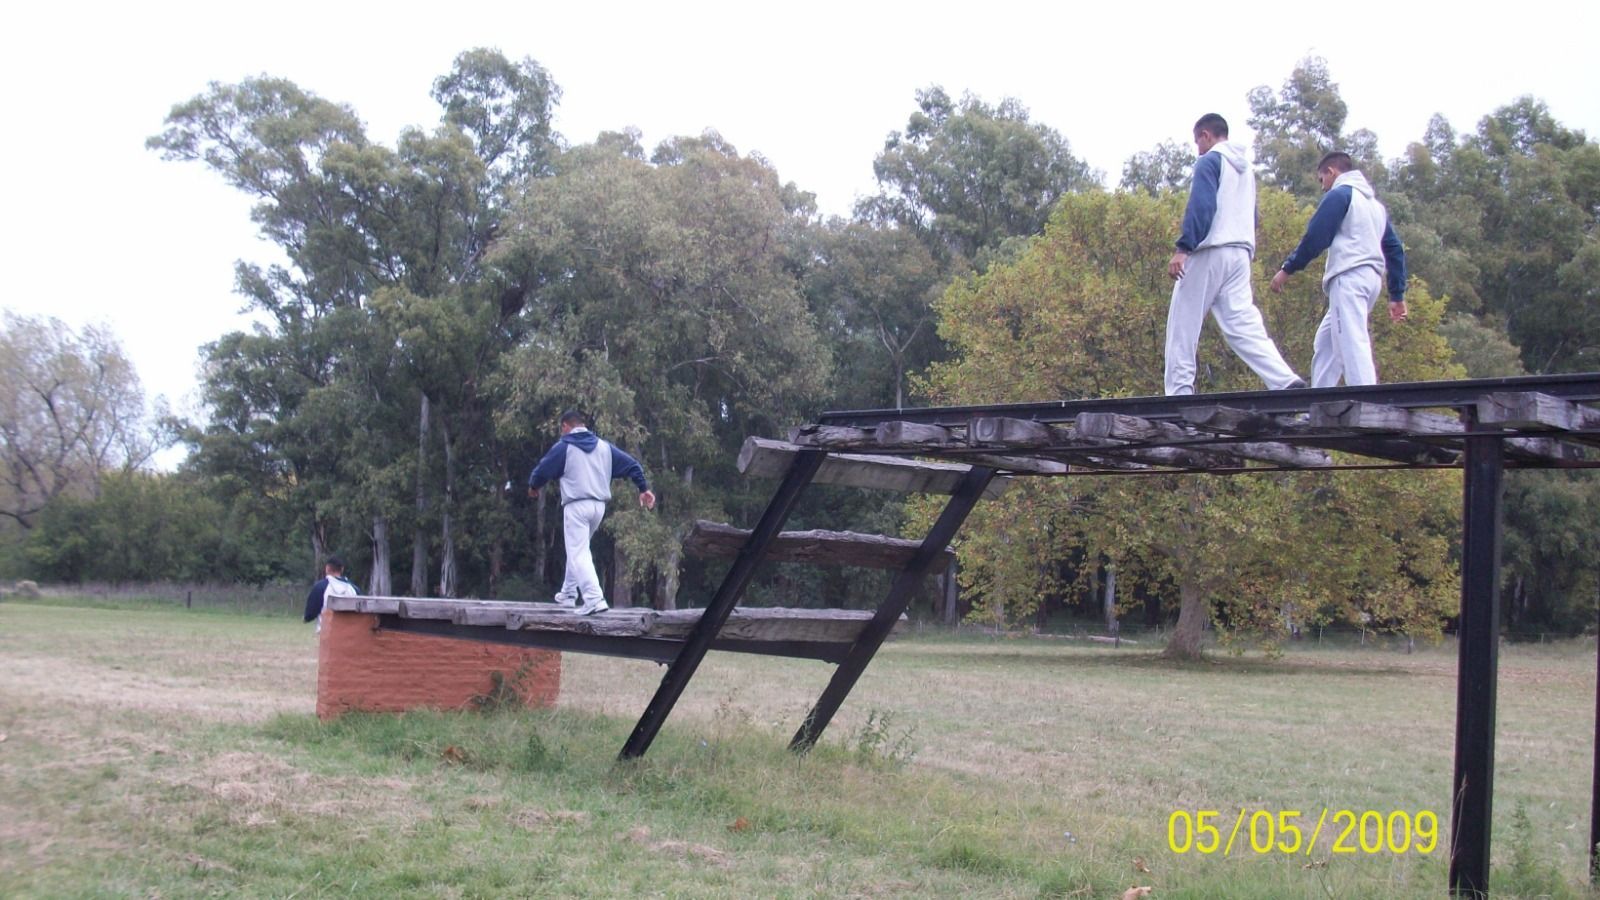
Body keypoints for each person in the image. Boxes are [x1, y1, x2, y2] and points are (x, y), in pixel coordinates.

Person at [1165, 113, 1306, 396]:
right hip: (1241, 254)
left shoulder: (1210, 161)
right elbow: (1252, 217)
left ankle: (1179, 393)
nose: (1198, 149)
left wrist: (1183, 249)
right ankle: (1285, 381)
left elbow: (1202, 207)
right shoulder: (1246, 171)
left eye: (1197, 142)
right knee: (1243, 323)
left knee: (1183, 323)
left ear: (1206, 135)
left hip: (1210, 251)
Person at [1270, 151, 1408, 387]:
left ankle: (1367, 402)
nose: (1322, 187)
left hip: (1350, 277)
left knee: (1352, 342)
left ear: (1331, 172)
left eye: (1322, 179)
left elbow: (1316, 237)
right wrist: (1396, 294)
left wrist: (1287, 270)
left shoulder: (1341, 195)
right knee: (1326, 343)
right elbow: (1394, 249)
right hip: (1370, 279)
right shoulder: (1375, 206)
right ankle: (1320, 400)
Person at [527, 409, 656, 616]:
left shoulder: (565, 446)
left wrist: (534, 486)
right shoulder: (604, 447)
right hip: (598, 508)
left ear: (565, 427)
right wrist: (643, 488)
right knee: (578, 549)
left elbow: (543, 469)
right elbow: (633, 465)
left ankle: (594, 599)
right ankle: (568, 594)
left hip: (577, 505)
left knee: (578, 552)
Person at [303, 554, 360, 632]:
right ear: (342, 569)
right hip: (349, 632)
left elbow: (310, 613)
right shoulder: (354, 589)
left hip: (327, 633)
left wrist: (307, 617)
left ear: (327, 568)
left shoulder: (320, 587)